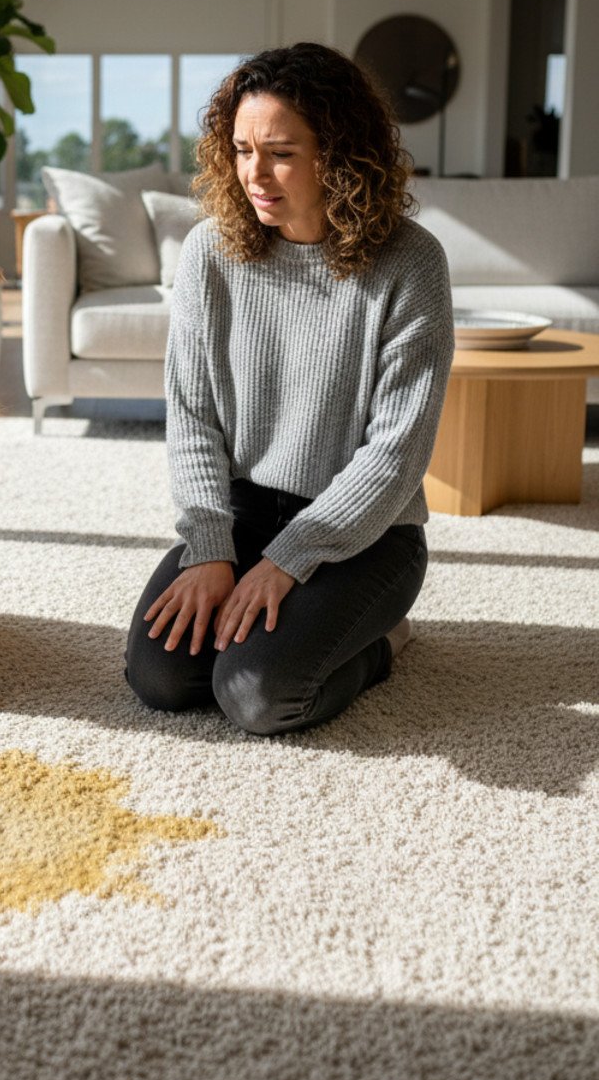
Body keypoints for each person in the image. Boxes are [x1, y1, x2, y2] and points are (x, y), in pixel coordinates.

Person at [125, 43, 454, 736]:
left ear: (339, 151)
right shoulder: (210, 253)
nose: (254, 173)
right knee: (160, 678)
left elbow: (395, 456)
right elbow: (191, 416)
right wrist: (212, 548)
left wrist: (290, 560)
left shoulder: (411, 262)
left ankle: (382, 645)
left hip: (367, 535)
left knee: (257, 695)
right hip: (244, 512)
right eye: (242, 149)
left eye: (280, 152)